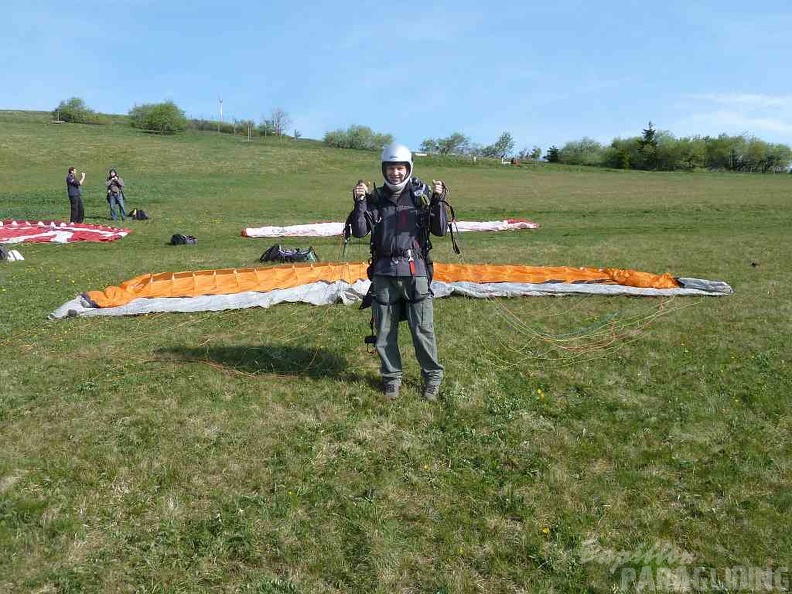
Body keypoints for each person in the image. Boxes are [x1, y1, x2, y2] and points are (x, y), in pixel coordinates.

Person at [347, 143, 449, 401]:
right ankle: (391, 379)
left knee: (422, 330)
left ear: (408, 168)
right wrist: (359, 202)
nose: (395, 173)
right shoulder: (376, 198)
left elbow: (439, 230)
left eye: (400, 167)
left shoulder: (421, 195)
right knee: (384, 330)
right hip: (384, 273)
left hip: (416, 273)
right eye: (391, 167)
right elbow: (359, 231)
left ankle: (432, 378)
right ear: (384, 169)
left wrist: (438, 201)